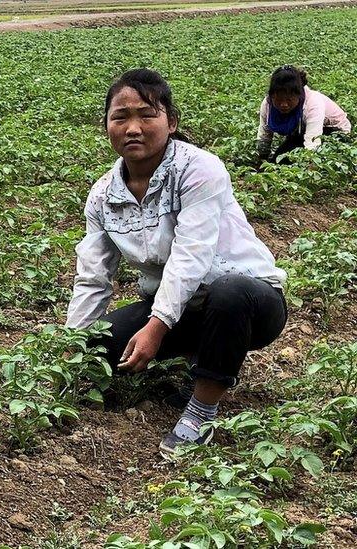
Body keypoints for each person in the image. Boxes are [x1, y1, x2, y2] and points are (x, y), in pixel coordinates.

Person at [66, 68, 288, 457]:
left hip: (252, 301)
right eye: (120, 117)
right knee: (99, 346)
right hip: (182, 308)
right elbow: (93, 275)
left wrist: (155, 328)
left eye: (146, 115)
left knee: (229, 291)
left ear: (171, 121)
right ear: (106, 125)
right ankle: (196, 355)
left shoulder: (199, 169)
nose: (132, 127)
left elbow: (192, 255)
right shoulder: (103, 195)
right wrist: (69, 349)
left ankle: (202, 408)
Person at [256, 65, 351, 162]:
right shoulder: (268, 104)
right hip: (300, 133)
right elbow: (264, 133)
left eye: (289, 99)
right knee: (278, 160)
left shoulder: (313, 103)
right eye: (279, 100)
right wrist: (262, 158)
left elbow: (313, 142)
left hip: (334, 132)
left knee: (293, 160)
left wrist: (310, 168)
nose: (284, 104)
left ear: (299, 95)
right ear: (272, 96)